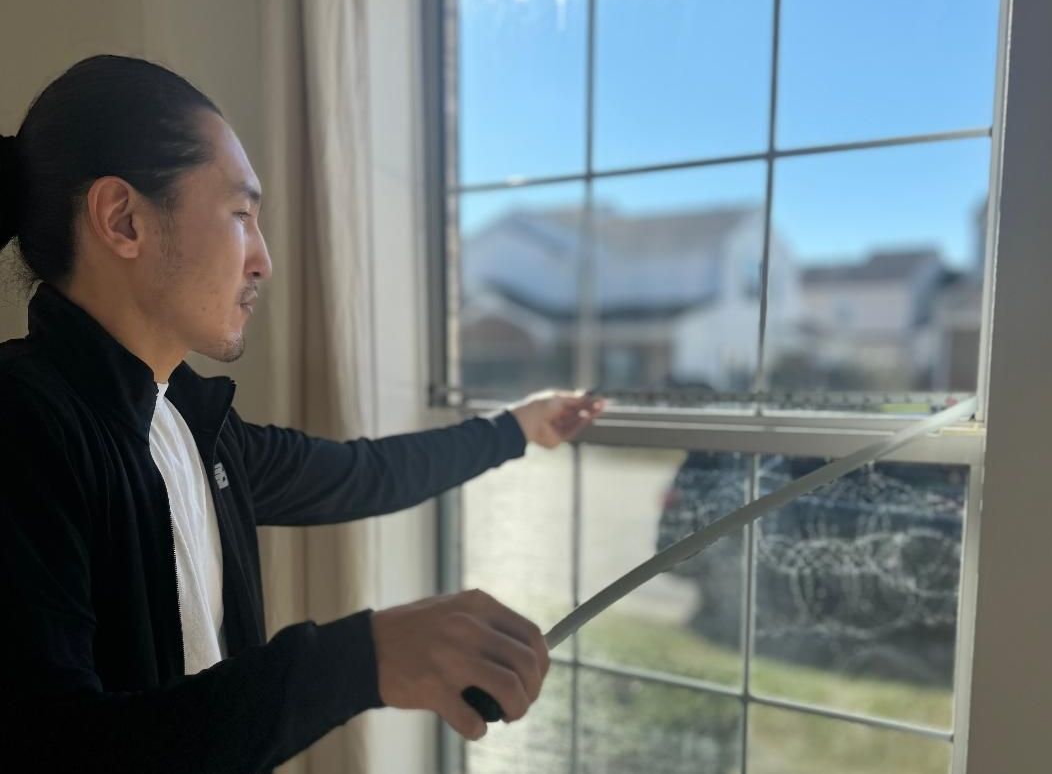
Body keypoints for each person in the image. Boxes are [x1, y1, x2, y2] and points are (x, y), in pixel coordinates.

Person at [0, 54, 603, 772]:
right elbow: (61, 746)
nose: (262, 261)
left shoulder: (195, 428)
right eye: (240, 215)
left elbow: (364, 473)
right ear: (123, 219)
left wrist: (520, 428)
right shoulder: (21, 424)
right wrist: (363, 660)